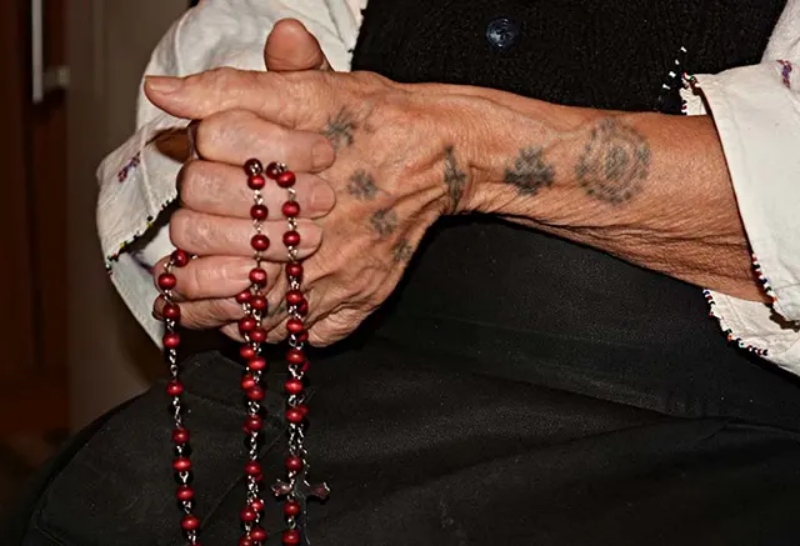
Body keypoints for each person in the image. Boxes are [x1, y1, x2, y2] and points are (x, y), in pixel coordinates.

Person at [9, 0, 800, 544]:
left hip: (679, 447)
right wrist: (271, 156)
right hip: (339, 391)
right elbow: (257, 32)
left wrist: (464, 150)